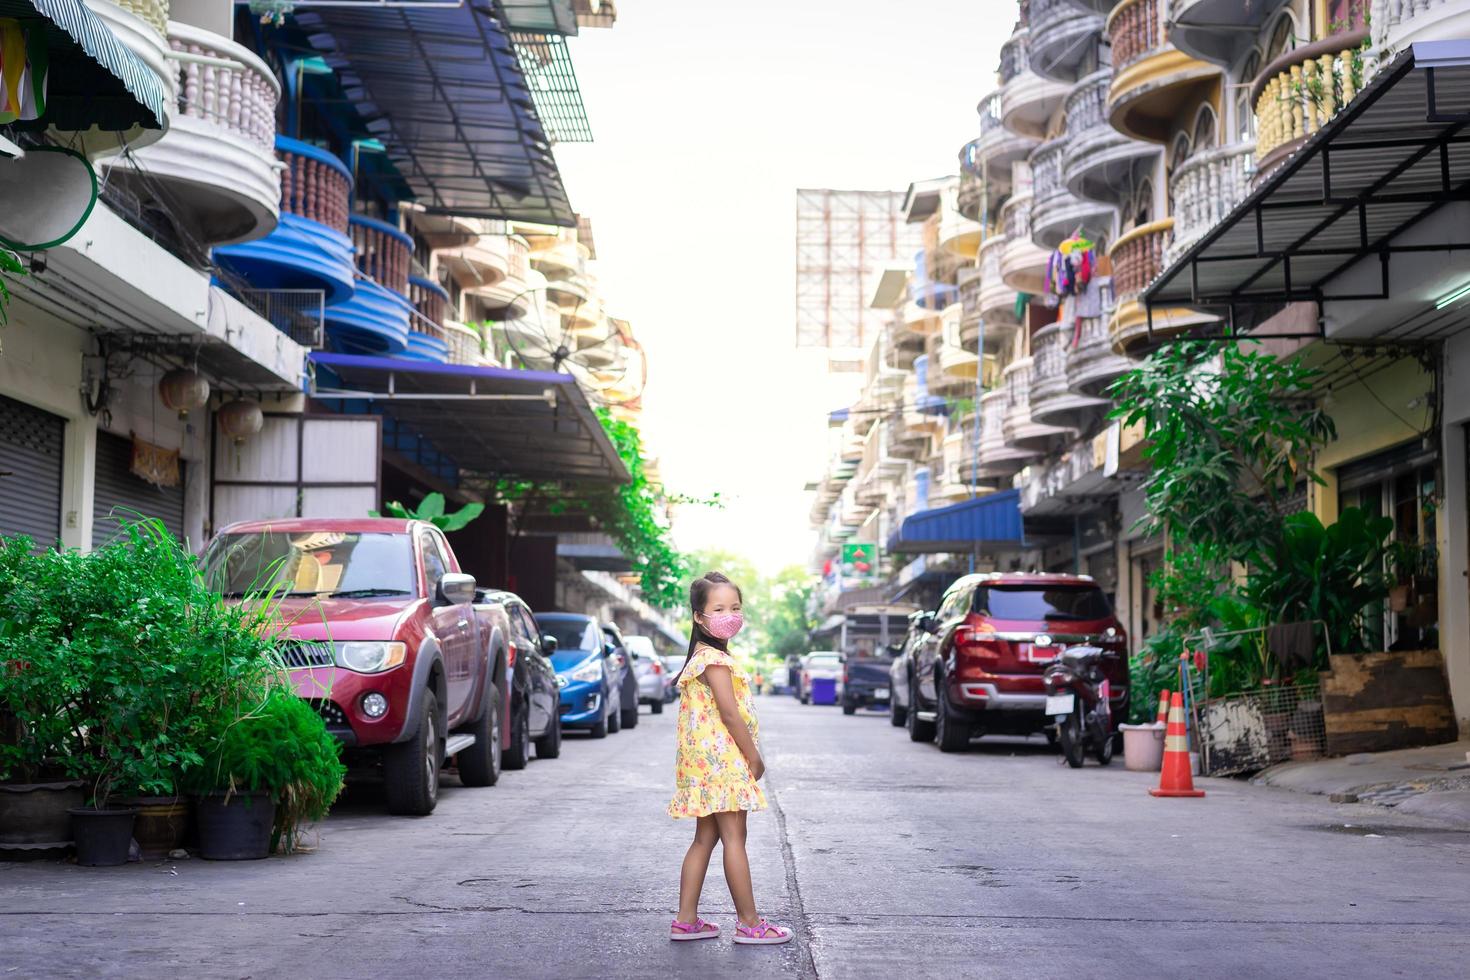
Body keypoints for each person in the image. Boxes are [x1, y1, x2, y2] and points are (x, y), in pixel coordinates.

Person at [666, 571, 793, 946]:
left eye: (735, 607)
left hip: (703, 765)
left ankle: (686, 920)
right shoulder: (714, 661)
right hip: (722, 762)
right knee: (735, 837)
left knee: (705, 837)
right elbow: (729, 713)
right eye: (718, 608)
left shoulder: (704, 656)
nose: (729, 614)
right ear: (698, 617)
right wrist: (754, 757)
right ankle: (750, 923)